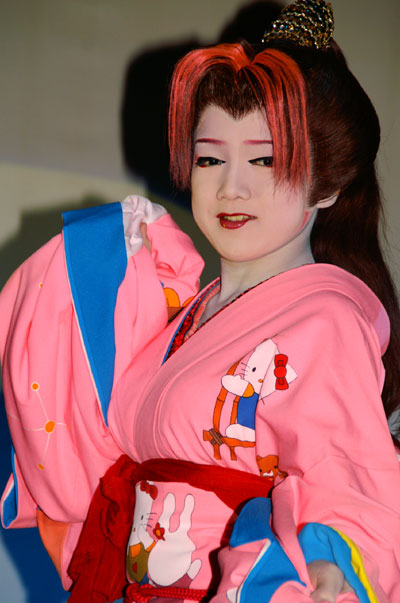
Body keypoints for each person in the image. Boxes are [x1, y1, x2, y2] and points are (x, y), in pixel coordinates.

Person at [1, 1, 400, 602]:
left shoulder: (327, 318)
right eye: (211, 158)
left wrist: (331, 563)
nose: (231, 187)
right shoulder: (187, 311)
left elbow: (344, 470)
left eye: (265, 159)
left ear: (329, 183)